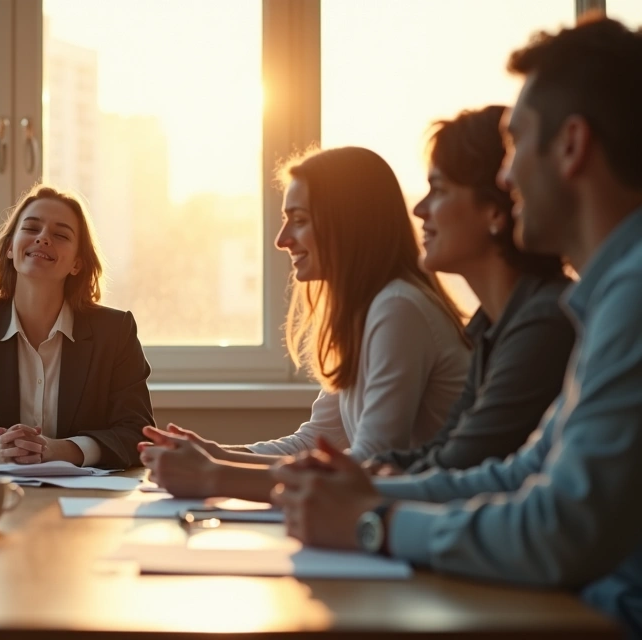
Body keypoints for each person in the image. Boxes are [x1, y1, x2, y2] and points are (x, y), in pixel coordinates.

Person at [270, 15, 642, 635]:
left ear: (572, 146)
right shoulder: (603, 297)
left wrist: (370, 523)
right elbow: (522, 473)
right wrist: (365, 498)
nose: (505, 176)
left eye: (516, 143)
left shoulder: (629, 294)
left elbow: (561, 527)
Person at [141, 147, 469, 499]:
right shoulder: (367, 310)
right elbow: (315, 440)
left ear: (348, 223)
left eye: (298, 220)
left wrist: (213, 474)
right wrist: (217, 455)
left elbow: (365, 465)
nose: (282, 240)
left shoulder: (398, 309)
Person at [366, 105, 573, 476]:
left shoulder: (545, 321)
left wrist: (360, 487)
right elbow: (443, 448)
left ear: (495, 211)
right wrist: (362, 473)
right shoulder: (490, 326)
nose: (419, 209)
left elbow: (458, 467)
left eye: (439, 190)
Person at [0, 185, 154, 469]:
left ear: (77, 263)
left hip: (83, 504)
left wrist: (59, 451)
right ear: (9, 247)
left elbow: (137, 434)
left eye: (61, 235)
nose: (43, 238)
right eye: (31, 228)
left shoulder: (116, 332)